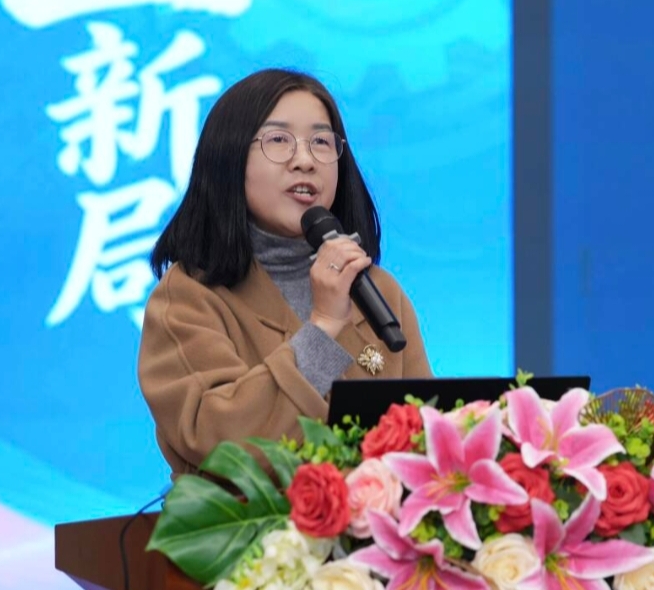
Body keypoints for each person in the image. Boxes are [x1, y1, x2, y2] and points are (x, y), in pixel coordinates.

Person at [137, 68, 433, 479]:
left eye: (321, 142)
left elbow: (427, 434)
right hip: (249, 521)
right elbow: (221, 443)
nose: (305, 161)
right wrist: (323, 326)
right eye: (278, 140)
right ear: (229, 158)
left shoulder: (380, 291)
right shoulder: (188, 297)